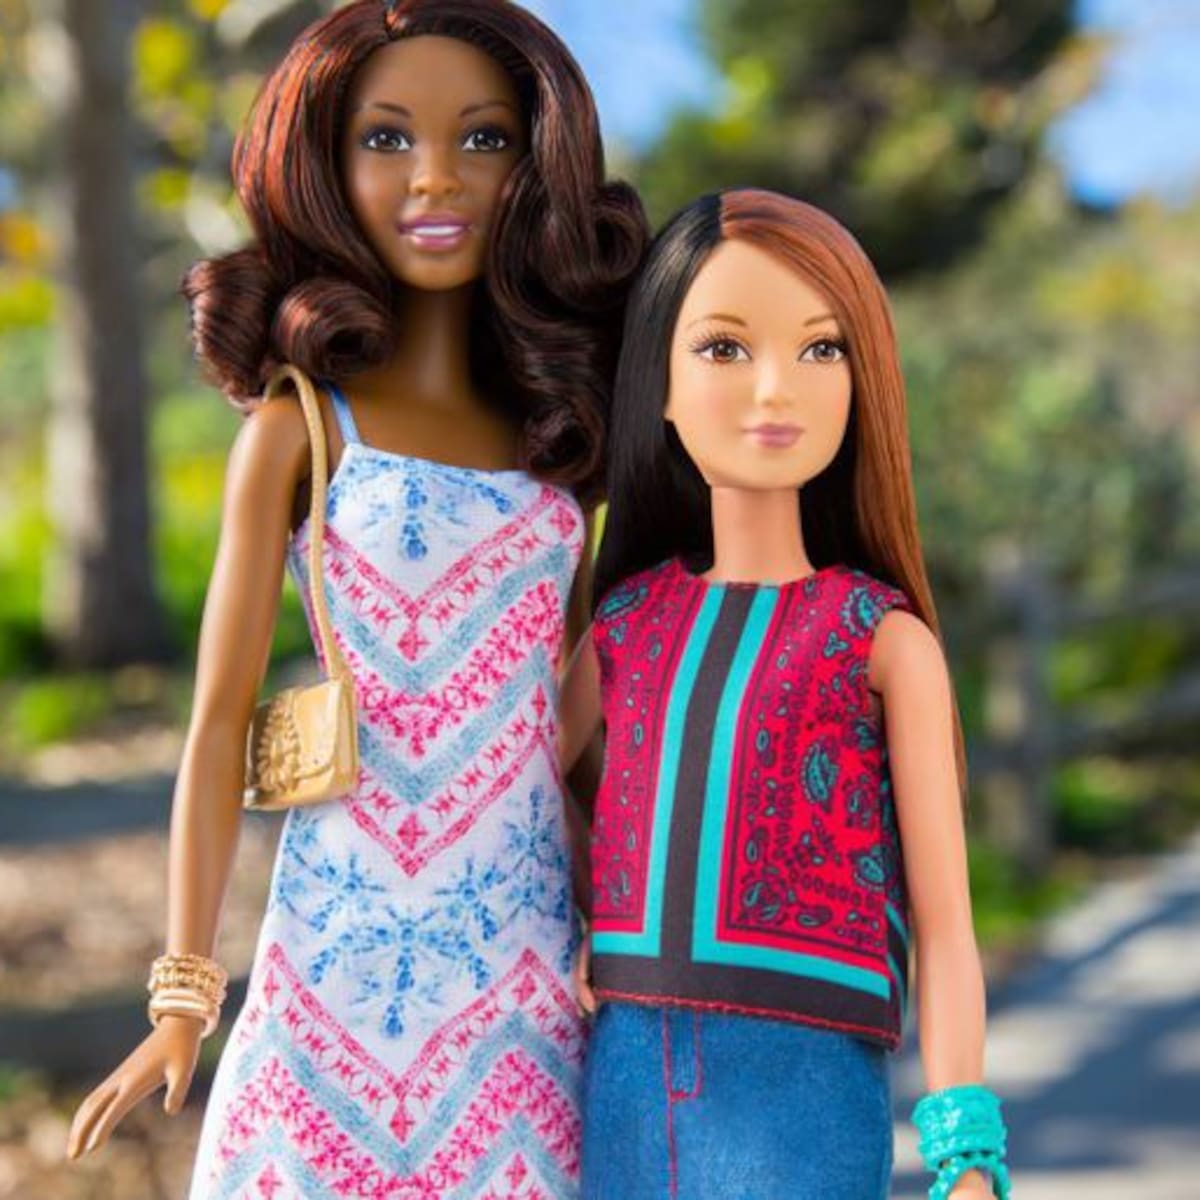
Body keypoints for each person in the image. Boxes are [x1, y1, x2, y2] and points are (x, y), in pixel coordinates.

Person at [66, 3, 646, 1196]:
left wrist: (627, 934)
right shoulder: (299, 429)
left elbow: (571, 724)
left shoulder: (559, 440)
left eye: (483, 139)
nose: (436, 177)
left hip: (521, 959)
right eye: (387, 139)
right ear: (326, 169)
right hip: (338, 941)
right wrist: (184, 993)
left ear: (533, 167)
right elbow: (216, 723)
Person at [558, 189, 1011, 1200]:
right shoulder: (626, 624)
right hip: (626, 1074)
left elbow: (946, 926)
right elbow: (517, 784)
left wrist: (966, 1153)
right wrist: (593, 896)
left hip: (804, 1085)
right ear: (658, 384)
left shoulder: (880, 640)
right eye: (723, 348)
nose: (776, 389)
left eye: (821, 349)